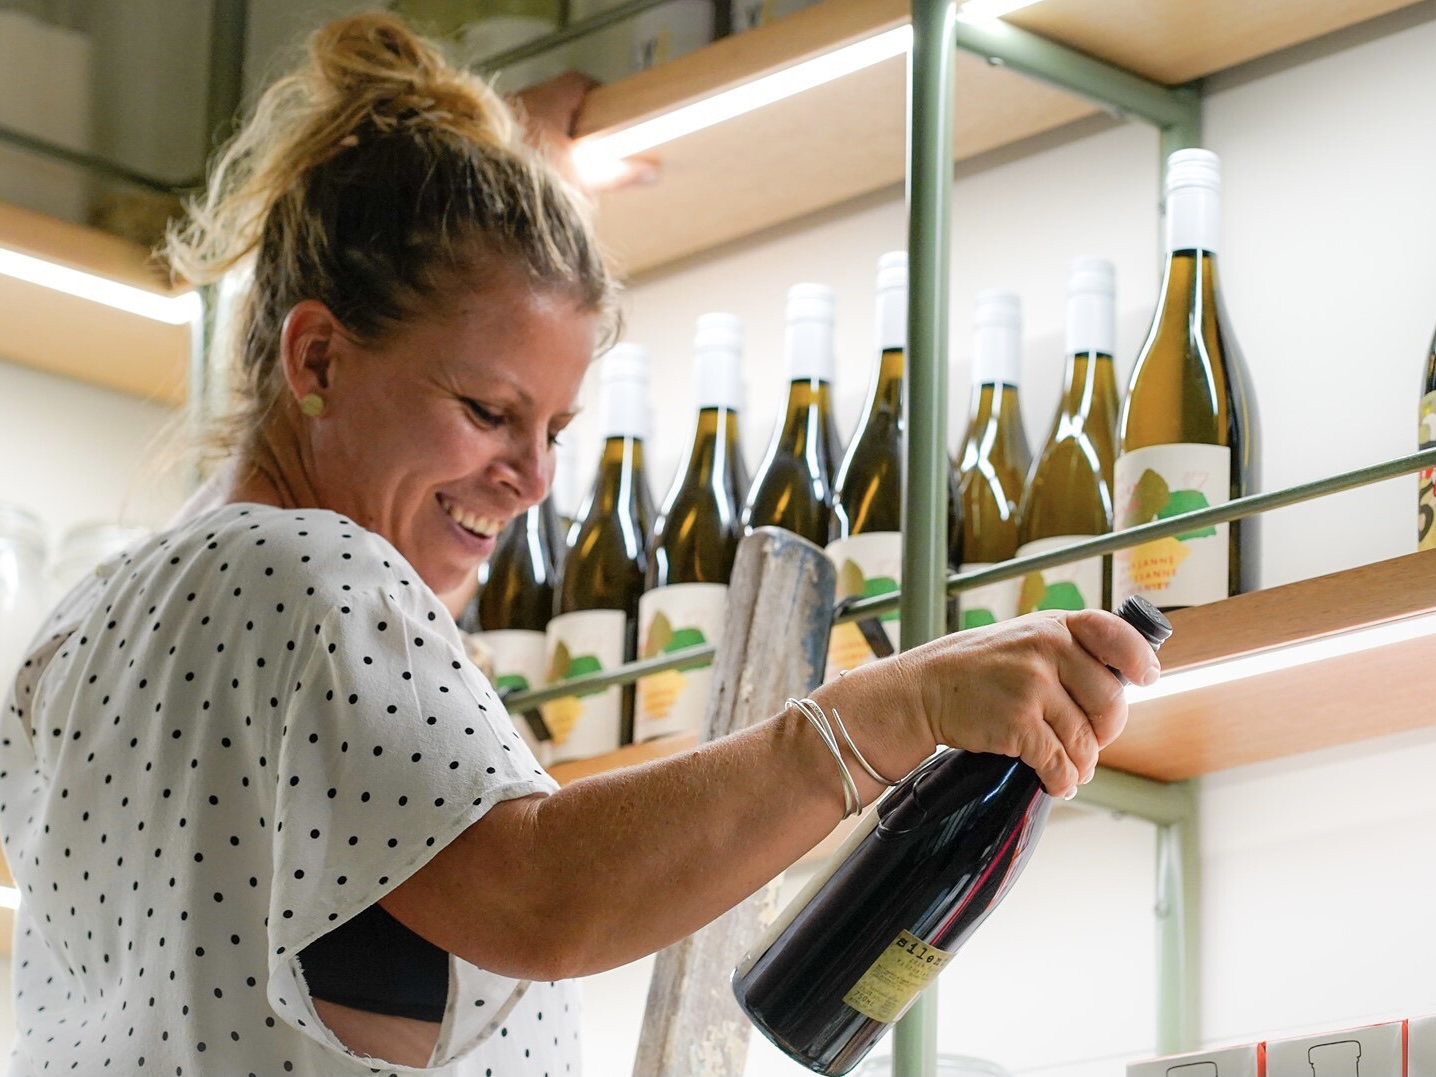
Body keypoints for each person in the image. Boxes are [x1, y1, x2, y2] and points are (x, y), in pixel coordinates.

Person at [0, 13, 1161, 1077]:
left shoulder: (84, 630)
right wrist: (885, 714)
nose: (533, 478)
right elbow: (539, 891)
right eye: (487, 411)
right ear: (316, 362)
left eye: (554, 427)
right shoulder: (313, 577)